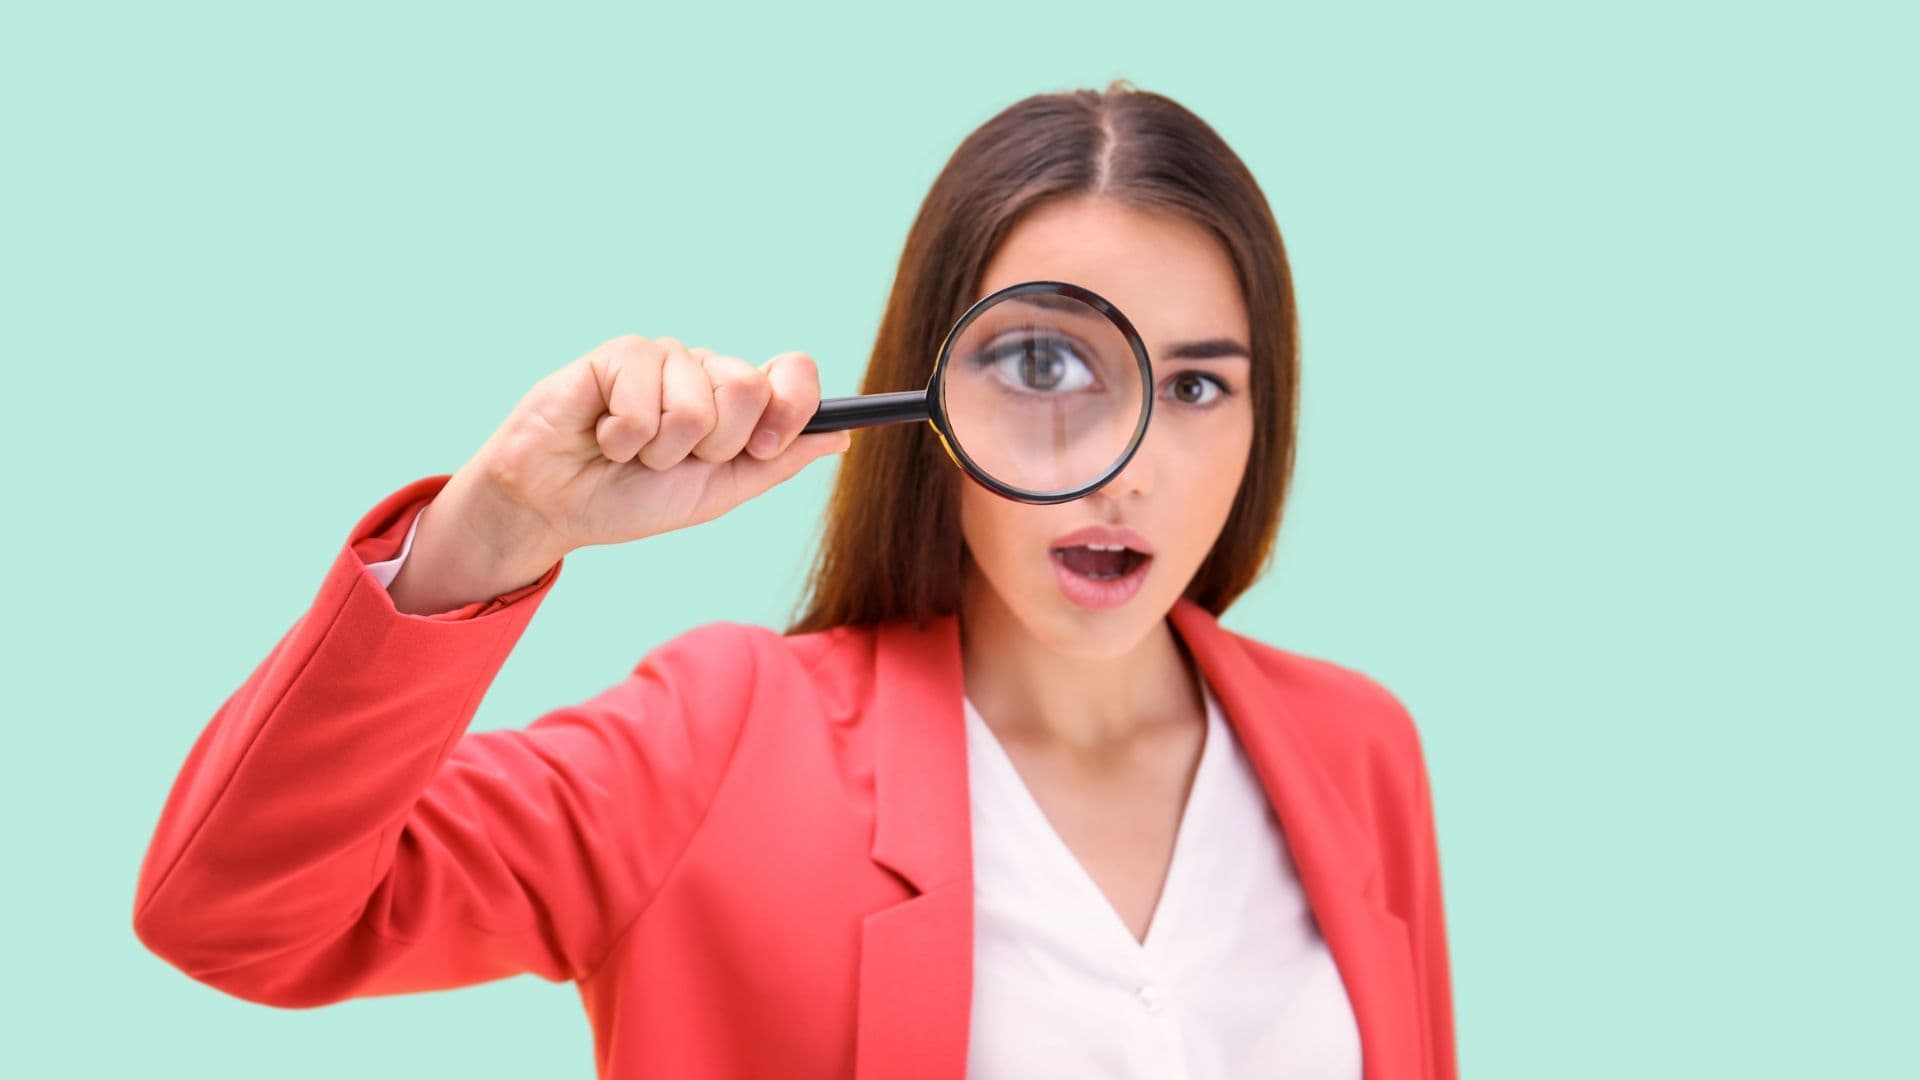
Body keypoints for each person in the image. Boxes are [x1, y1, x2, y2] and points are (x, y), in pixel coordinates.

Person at [132, 80, 1456, 1080]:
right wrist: (493, 532)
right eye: (1047, 367)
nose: (1134, 469)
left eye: (1200, 385)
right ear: (933, 391)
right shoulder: (719, 742)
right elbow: (234, 914)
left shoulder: (1356, 749)